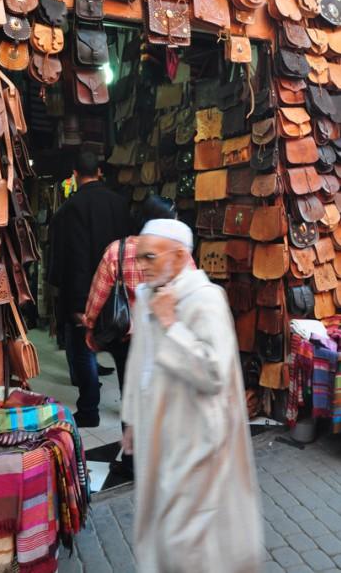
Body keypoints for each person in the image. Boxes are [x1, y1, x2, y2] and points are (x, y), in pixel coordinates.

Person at [121, 218, 263, 573]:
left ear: (181, 256)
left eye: (150, 257)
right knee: (161, 522)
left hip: (197, 437)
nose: (141, 266)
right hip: (158, 430)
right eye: (139, 258)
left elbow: (215, 373)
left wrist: (172, 325)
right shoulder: (147, 296)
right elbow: (140, 363)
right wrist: (133, 419)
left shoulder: (205, 300)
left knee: (191, 535)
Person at [84, 195, 180, 479]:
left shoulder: (118, 250)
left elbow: (98, 294)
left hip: (129, 340)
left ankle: (132, 462)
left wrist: (90, 325)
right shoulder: (175, 252)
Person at [48, 150, 130, 427]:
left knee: (83, 352)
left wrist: (67, 298)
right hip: (119, 294)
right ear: (99, 172)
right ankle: (129, 413)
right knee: (123, 353)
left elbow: (64, 259)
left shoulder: (67, 211)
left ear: (74, 174)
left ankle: (89, 410)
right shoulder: (120, 205)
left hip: (81, 293)